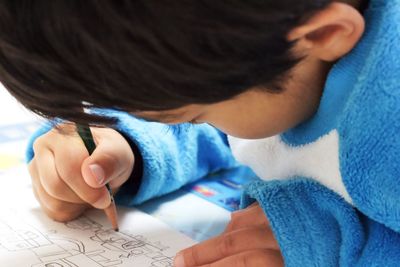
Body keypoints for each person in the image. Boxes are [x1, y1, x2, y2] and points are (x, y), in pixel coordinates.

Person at [0, 0, 399, 266]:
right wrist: (130, 144)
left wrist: (342, 245)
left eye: (191, 117)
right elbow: (243, 124)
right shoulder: (248, 41)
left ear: (321, 36)